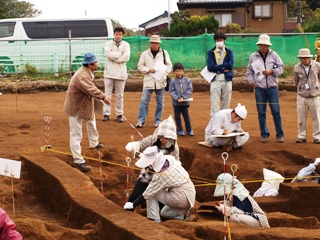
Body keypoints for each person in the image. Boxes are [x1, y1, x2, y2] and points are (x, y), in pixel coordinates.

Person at [63, 52, 110, 172]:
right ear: (90, 64)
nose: (98, 64)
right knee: (76, 133)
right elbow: (91, 89)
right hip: (75, 106)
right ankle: (78, 161)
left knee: (91, 120)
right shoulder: (82, 76)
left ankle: (94, 142)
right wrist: (103, 96)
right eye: (96, 62)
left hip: (84, 103)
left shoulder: (88, 72)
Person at [123, 146, 196, 223]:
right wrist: (141, 155)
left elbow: (148, 193)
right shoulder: (170, 159)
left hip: (180, 197)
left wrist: (133, 204)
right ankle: (185, 216)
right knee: (164, 213)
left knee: (152, 194)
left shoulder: (161, 176)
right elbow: (155, 158)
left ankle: (154, 220)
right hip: (190, 195)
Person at [125, 115, 179, 203]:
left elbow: (176, 162)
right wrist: (133, 146)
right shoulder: (152, 139)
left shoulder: (175, 148)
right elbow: (141, 144)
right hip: (146, 175)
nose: (164, 140)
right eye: (163, 137)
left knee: (163, 204)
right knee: (133, 198)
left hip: (162, 181)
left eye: (168, 138)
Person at [246, 34, 285, 143]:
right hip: (259, 89)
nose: (263, 47)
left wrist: (271, 71)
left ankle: (280, 135)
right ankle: (264, 134)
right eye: (261, 45)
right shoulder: (253, 57)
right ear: (259, 45)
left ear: (268, 45)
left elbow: (281, 67)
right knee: (261, 112)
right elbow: (249, 72)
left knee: (276, 112)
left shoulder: (274, 55)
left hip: (272, 88)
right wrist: (253, 83)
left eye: (265, 45)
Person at [136, 35, 172, 128]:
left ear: (159, 43)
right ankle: (141, 121)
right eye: (153, 43)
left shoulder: (164, 53)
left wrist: (165, 73)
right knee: (144, 101)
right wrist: (148, 69)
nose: (154, 44)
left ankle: (157, 121)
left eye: (156, 43)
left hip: (161, 82)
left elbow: (169, 65)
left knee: (160, 102)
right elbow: (140, 66)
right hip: (148, 82)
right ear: (150, 43)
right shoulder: (144, 54)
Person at [102, 26, 130, 123]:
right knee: (107, 94)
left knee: (119, 96)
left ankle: (119, 114)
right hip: (109, 73)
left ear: (122, 35)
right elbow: (108, 55)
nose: (118, 36)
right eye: (116, 34)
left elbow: (126, 57)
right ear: (114, 34)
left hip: (121, 74)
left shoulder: (126, 45)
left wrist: (115, 57)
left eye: (120, 34)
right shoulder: (108, 44)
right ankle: (106, 113)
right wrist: (119, 55)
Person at [293, 48, 320, 144]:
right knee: (301, 117)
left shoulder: (317, 65)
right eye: (301, 58)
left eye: (305, 58)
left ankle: (317, 136)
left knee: (316, 117)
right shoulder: (297, 67)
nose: (303, 60)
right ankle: (301, 136)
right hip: (302, 95)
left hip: (314, 95)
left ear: (309, 57)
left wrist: (317, 88)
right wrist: (301, 89)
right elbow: (296, 80)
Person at [207, 31, 234, 117]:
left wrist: (218, 68)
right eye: (218, 40)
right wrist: (223, 68)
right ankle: (214, 125)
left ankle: (224, 124)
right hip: (215, 80)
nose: (219, 41)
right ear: (215, 41)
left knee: (226, 105)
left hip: (227, 80)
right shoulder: (211, 52)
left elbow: (230, 65)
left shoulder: (229, 52)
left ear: (224, 40)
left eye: (221, 39)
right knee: (215, 105)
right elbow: (210, 67)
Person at [168, 63, 194, 136]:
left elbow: (189, 90)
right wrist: (177, 98)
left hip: (185, 103)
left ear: (183, 71)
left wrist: (183, 97)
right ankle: (179, 130)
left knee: (186, 116)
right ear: (174, 72)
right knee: (177, 117)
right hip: (177, 103)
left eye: (180, 71)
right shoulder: (172, 82)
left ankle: (189, 130)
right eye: (177, 71)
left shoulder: (188, 80)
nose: (179, 73)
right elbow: (171, 91)